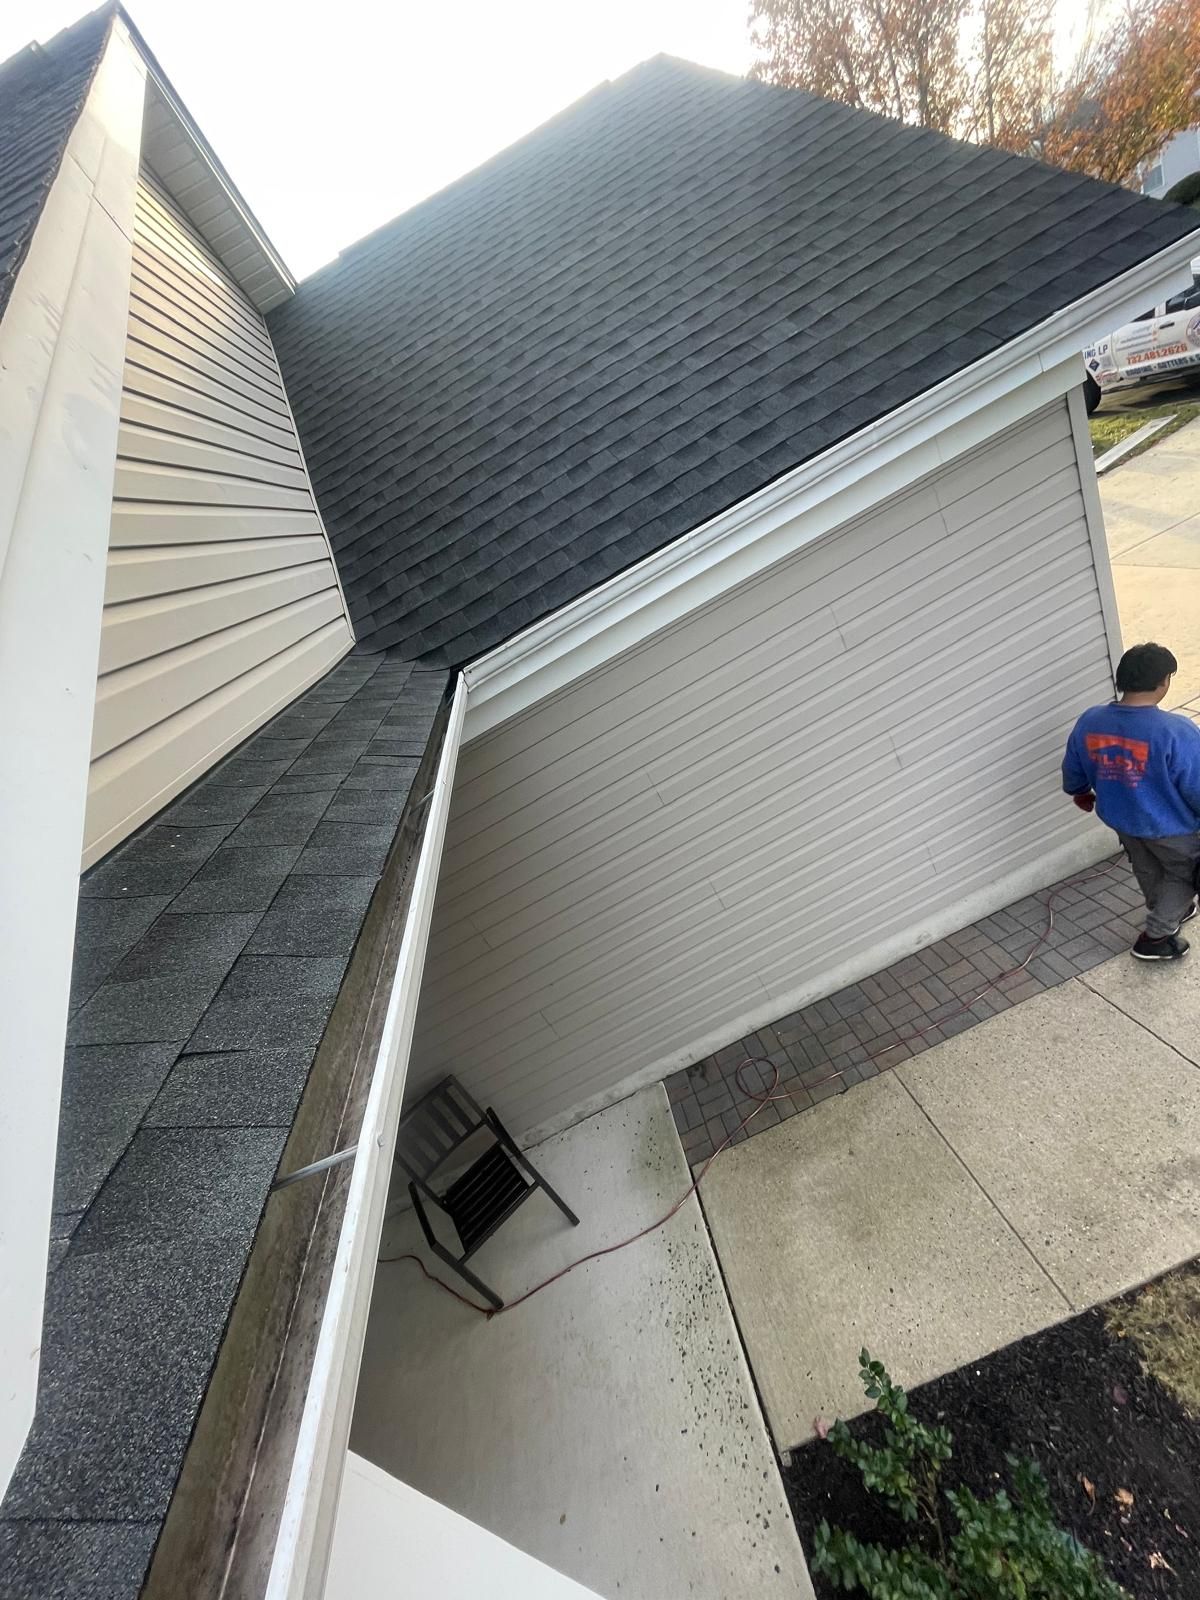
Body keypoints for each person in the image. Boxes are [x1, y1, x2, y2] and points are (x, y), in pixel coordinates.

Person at [1063, 642, 1200, 961]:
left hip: (1122, 819)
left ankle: (1167, 909)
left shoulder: (1091, 720)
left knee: (1147, 867)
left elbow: (1073, 764)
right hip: (1170, 828)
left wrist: (1079, 791)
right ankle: (1156, 936)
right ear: (1163, 681)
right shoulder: (1175, 731)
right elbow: (1195, 785)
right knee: (1184, 875)